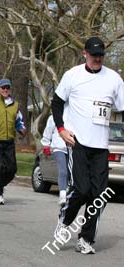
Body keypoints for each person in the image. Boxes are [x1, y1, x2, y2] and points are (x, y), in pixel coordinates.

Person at [52, 37, 124, 254]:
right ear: (85, 54)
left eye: (101, 55)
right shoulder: (72, 75)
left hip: (101, 146)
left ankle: (86, 239)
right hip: (78, 142)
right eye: (94, 55)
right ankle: (64, 221)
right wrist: (62, 129)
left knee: (98, 195)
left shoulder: (114, 79)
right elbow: (56, 103)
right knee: (82, 189)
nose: (98, 59)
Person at [41, 114, 68, 205]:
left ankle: (70, 192)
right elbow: (48, 130)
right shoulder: (54, 116)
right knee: (63, 171)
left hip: (72, 148)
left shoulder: (77, 114)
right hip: (59, 147)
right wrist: (46, 144)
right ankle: (62, 194)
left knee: (71, 171)